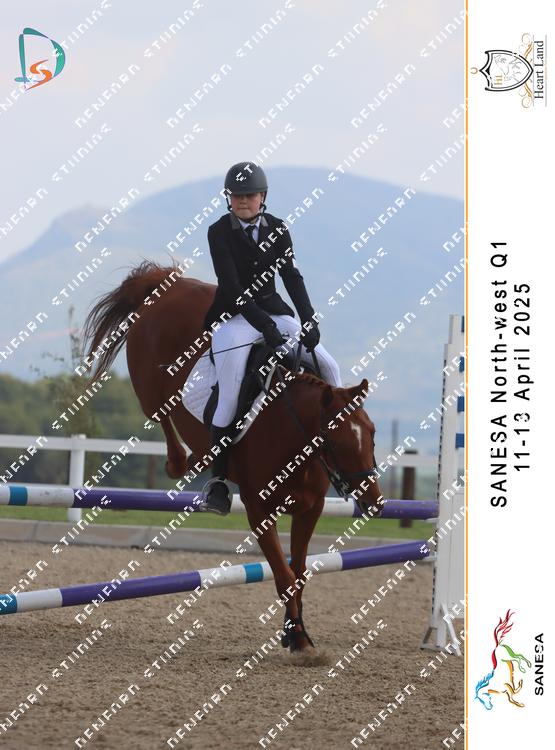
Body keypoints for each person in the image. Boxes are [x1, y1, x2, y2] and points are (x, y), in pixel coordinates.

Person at [198, 161, 342, 515]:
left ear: (262, 196)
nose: (243, 200)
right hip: (234, 318)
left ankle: (340, 444)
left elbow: (291, 276)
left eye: (249, 195)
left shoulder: (278, 228)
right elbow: (232, 288)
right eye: (236, 195)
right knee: (230, 393)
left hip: (275, 313)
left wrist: (309, 318)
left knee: (330, 367)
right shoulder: (219, 232)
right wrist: (264, 326)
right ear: (229, 198)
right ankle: (219, 482)